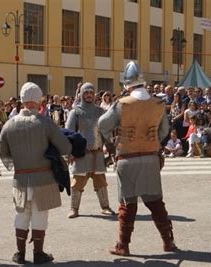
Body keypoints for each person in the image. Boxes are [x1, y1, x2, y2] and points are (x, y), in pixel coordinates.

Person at [98, 61, 177, 256]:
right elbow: (165, 130)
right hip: (151, 157)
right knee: (156, 202)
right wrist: (153, 142)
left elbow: (102, 124)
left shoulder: (122, 104)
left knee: (127, 203)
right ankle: (168, 242)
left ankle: (123, 245)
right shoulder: (158, 103)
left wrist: (113, 140)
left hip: (127, 157)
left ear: (127, 84)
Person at [0, 82, 72, 264]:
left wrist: (17, 162)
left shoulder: (9, 125)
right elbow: (65, 146)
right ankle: (38, 253)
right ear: (38, 99)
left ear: (22, 99)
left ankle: (20, 253)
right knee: (40, 214)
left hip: (21, 177)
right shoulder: (45, 122)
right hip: (44, 177)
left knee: (21, 214)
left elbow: (2, 153)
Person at [65, 82, 116, 219]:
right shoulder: (75, 112)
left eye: (91, 93)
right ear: (81, 94)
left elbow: (106, 133)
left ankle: (105, 207)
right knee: (77, 182)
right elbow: (69, 133)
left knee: (101, 182)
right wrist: (68, 153)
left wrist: (111, 149)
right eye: (86, 92)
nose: (88, 95)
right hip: (82, 153)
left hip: (98, 152)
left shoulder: (100, 111)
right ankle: (74, 208)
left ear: (94, 95)